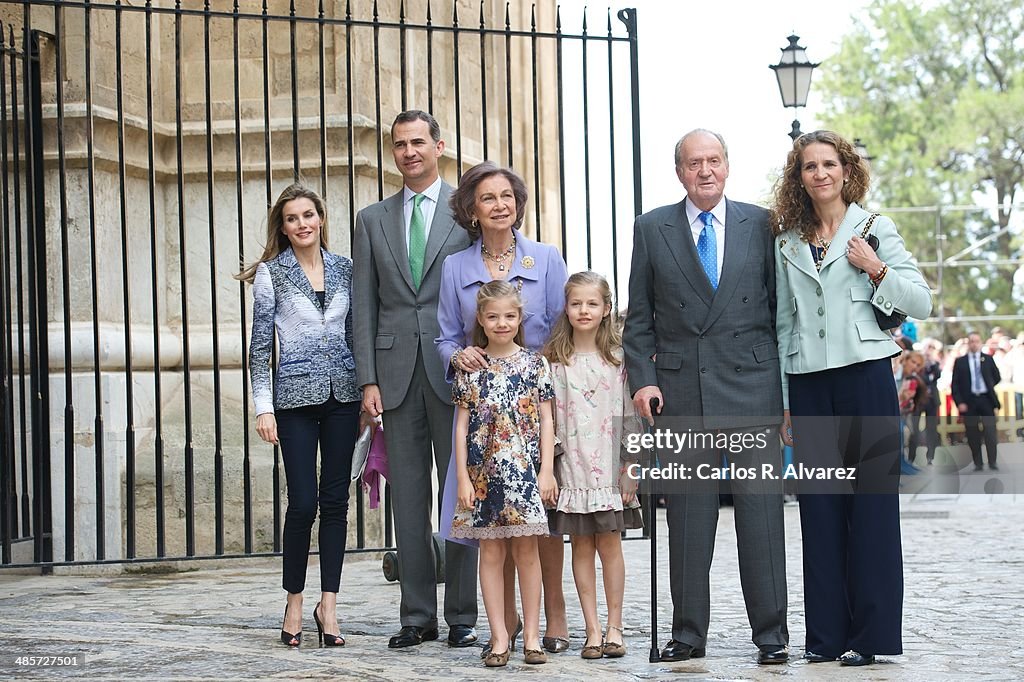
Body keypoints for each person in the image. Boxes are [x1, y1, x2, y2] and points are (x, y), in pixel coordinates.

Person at [623, 129, 790, 665]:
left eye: (714, 161)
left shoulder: (762, 224)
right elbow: (639, 319)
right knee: (689, 519)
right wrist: (642, 380)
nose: (706, 171)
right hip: (680, 394)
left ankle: (771, 635)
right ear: (680, 172)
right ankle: (688, 634)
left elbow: (780, 313)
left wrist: (786, 395)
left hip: (753, 389)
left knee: (760, 517)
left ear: (727, 166)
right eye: (694, 163)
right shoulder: (652, 228)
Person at [772, 129, 932, 666]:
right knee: (819, 511)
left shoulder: (874, 228)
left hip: (865, 378)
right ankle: (825, 638)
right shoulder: (788, 240)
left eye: (829, 164)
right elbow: (783, 324)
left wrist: (876, 267)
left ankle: (872, 637)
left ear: (846, 170)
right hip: (811, 384)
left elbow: (921, 300)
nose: (820, 173)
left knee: (871, 512)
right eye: (809, 166)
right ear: (799, 178)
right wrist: (787, 401)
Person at [352, 110, 478, 649]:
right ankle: (417, 615)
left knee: (462, 497)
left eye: (419, 142)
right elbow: (364, 305)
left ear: (439, 146)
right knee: (408, 497)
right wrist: (367, 380)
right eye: (400, 144)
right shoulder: (371, 219)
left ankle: (463, 617)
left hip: (459, 375)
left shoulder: (467, 211)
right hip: (395, 376)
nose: (409, 152)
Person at [436, 161, 570, 656]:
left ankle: (551, 619)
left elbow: (560, 331)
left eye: (507, 196)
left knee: (543, 524)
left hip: (537, 403)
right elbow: (445, 337)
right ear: (472, 209)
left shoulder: (545, 258)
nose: (500, 205)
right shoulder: (456, 268)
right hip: (485, 415)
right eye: (488, 198)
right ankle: (505, 625)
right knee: (495, 530)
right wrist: (457, 355)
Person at [239, 184, 361, 648]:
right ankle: (294, 600)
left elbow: (355, 334)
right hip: (292, 403)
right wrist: (262, 407)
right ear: (283, 226)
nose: (302, 224)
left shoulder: (346, 269)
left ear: (322, 218)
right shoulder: (272, 274)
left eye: (309, 214)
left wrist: (367, 394)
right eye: (292, 218)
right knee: (304, 504)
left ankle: (328, 605)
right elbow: (259, 349)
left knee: (335, 504)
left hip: (342, 399)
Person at [451, 280, 559, 667]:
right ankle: (499, 636)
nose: (501, 323)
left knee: (528, 552)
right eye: (493, 316)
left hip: (525, 475)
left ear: (519, 318)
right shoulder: (471, 366)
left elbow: (547, 421)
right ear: (480, 318)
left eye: (509, 316)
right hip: (483, 477)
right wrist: (463, 478)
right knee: (491, 553)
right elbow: (462, 427)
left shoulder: (535, 364)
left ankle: (531, 636)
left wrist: (546, 471)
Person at [543, 271, 643, 660]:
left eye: (592, 304)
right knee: (580, 547)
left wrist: (631, 463)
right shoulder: (553, 362)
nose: (583, 310)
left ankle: (615, 626)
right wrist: (548, 469)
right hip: (572, 472)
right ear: (566, 309)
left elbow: (630, 415)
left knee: (610, 546)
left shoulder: (619, 360)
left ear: (606, 309)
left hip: (610, 469)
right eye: (576, 303)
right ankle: (592, 629)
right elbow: (545, 420)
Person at [951, 331, 1002, 471]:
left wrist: (989, 385)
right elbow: (955, 385)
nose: (974, 344)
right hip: (969, 402)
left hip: (986, 399)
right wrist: (960, 402)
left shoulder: (988, 359)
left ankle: (993, 461)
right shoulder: (960, 362)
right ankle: (978, 463)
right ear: (968, 343)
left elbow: (996, 377)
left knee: (990, 432)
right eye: (971, 341)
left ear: (981, 343)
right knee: (972, 433)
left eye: (976, 341)